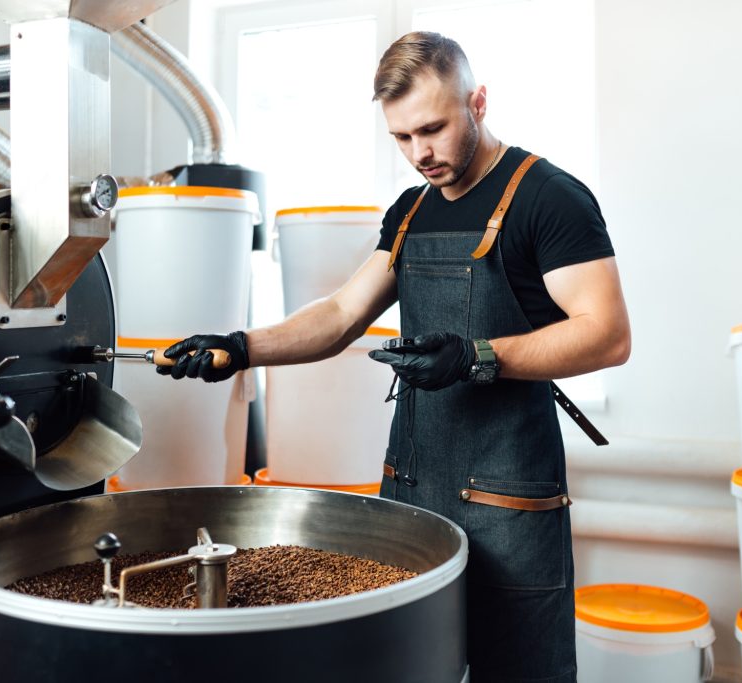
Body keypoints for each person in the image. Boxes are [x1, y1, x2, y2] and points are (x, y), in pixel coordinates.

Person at [157, 31, 630, 683]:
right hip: (412, 490)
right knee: (404, 665)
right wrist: (238, 347)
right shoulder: (410, 213)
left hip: (511, 497)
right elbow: (341, 315)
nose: (419, 153)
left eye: (432, 129)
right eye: (402, 137)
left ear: (479, 102)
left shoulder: (549, 199)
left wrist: (475, 356)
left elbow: (607, 333)